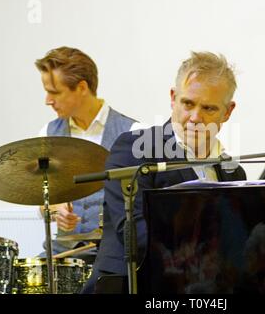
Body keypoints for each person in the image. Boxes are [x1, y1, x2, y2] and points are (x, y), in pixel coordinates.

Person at [82, 51, 247, 293]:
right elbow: (134, 235)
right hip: (131, 285)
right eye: (188, 103)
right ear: (173, 97)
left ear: (228, 111)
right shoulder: (134, 149)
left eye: (209, 108)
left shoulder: (233, 174)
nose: (195, 117)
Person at [35, 46, 139, 263]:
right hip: (62, 254)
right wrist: (55, 210)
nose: (47, 100)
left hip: (112, 254)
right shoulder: (47, 134)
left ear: (81, 87)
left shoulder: (133, 133)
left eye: (54, 92)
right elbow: (41, 201)